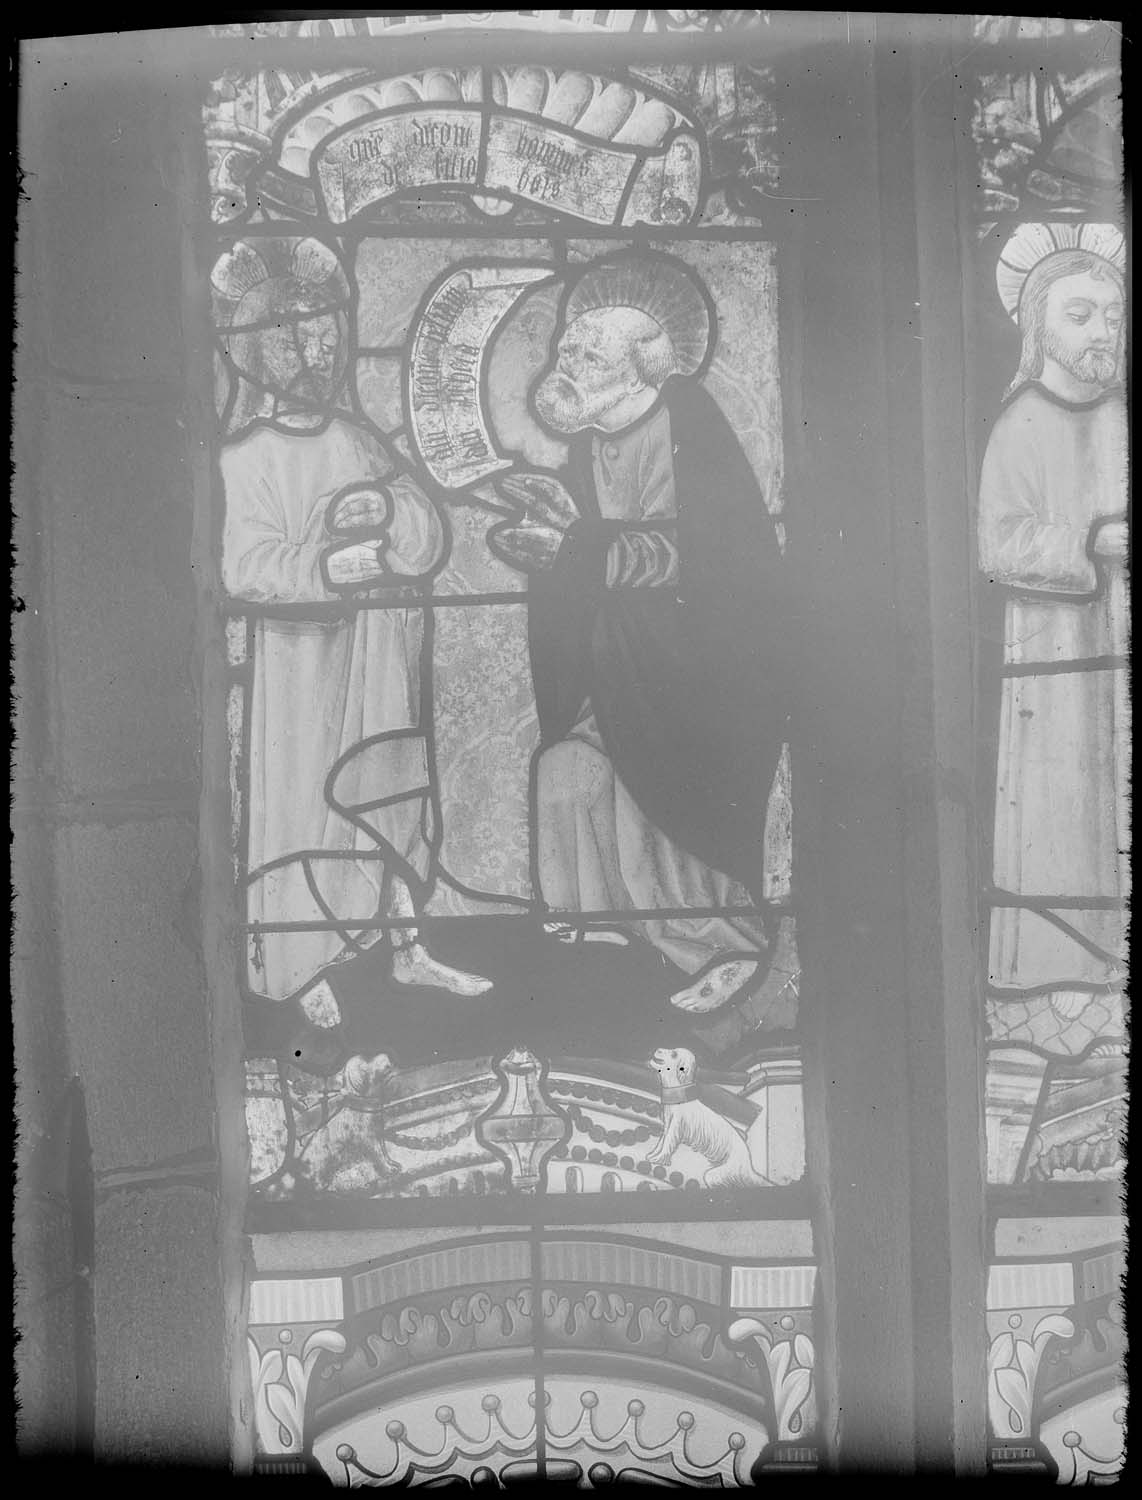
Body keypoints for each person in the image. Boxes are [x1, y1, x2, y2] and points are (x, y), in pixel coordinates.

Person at [489, 252, 789, 1014]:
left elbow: (709, 557)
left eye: (589, 357)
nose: (566, 365)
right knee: (565, 770)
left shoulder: (688, 426)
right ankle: (605, 931)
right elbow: (590, 558)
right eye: (567, 349)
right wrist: (557, 549)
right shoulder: (588, 446)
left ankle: (724, 941)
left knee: (667, 801)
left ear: (641, 369)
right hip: (615, 666)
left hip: (692, 672)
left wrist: (579, 549)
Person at [214, 236, 491, 1023]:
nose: (314, 355)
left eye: (323, 337)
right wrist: (329, 567)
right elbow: (244, 568)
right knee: (303, 810)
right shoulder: (245, 457)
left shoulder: (358, 440)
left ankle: (405, 945)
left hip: (376, 660)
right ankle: (297, 967)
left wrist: (392, 513)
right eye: (291, 340)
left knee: (384, 792)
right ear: (253, 351)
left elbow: (427, 537)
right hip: (298, 671)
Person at [977, 223, 1127, 1004]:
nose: (1102, 330)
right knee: (1062, 803)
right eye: (1081, 314)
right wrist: (1091, 542)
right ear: (1040, 326)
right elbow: (999, 545)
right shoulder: (1023, 422)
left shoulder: (1123, 415)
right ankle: (1056, 972)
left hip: (1120, 644)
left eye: (1113, 314)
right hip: (1056, 660)